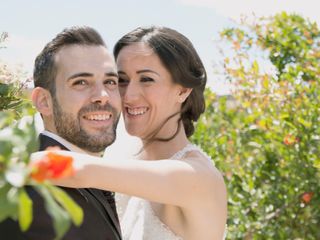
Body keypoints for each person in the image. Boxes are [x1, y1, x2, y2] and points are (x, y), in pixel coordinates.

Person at [34, 26, 227, 240]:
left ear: (182, 90)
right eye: (121, 80)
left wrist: (10, 164)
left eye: (146, 79)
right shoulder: (123, 151)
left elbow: (79, 170)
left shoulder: (198, 176)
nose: (129, 96)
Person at [0, 26, 122, 240]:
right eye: (81, 82)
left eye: (110, 82)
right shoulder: (33, 199)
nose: (102, 96)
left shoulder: (93, 175)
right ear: (44, 101)